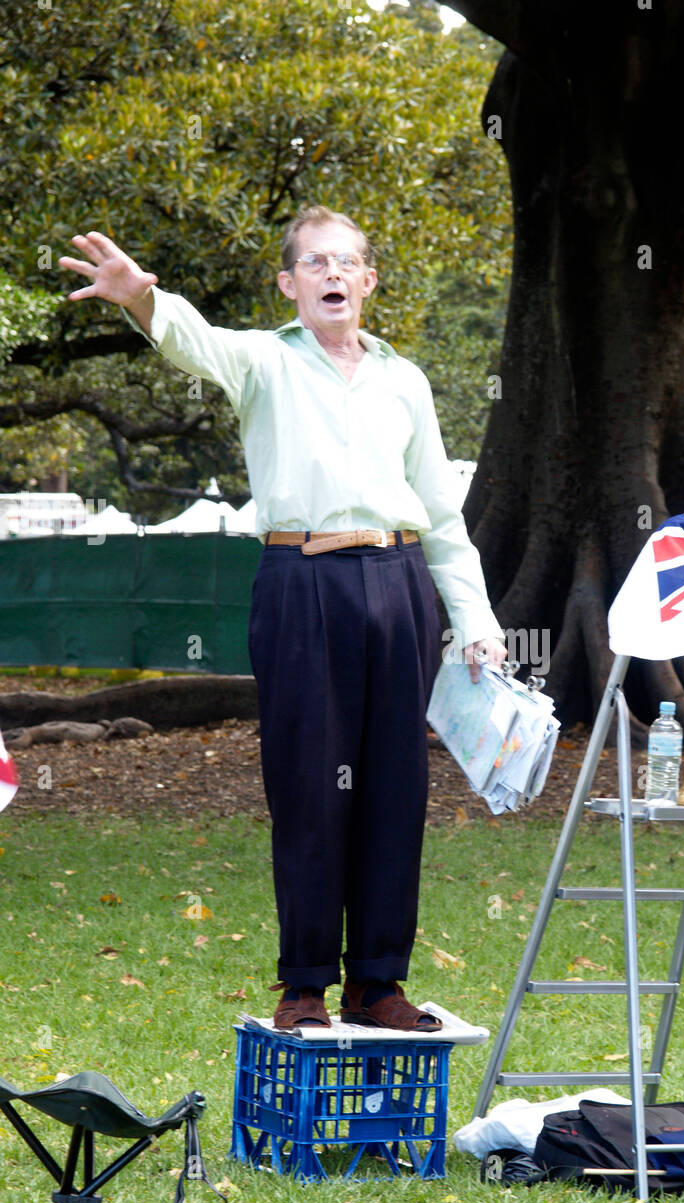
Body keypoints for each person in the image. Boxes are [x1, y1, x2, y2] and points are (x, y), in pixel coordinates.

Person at [60, 210, 507, 1032]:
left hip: (399, 577)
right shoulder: (265, 360)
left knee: (394, 785)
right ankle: (303, 980)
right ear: (290, 283)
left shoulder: (405, 381)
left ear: (369, 281)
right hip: (301, 581)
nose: (332, 274)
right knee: (308, 781)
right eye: (314, 263)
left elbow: (443, 514)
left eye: (347, 263)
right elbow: (197, 340)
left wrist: (474, 619)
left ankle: (377, 984)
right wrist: (140, 301)